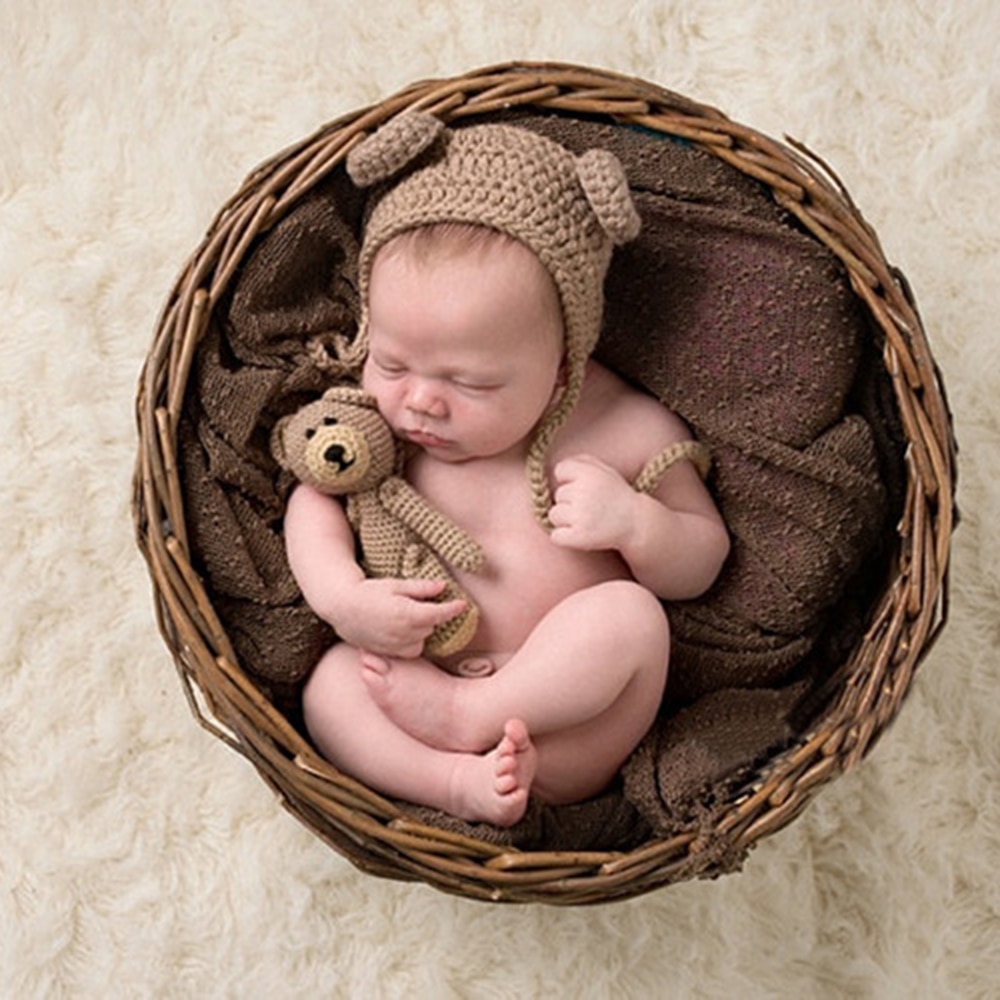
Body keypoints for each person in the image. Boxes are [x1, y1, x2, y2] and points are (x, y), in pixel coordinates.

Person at [282, 114, 730, 827]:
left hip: (564, 728)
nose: (420, 400)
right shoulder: (384, 421)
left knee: (632, 619)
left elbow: (702, 559)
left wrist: (637, 525)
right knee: (331, 687)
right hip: (408, 691)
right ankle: (451, 783)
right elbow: (314, 500)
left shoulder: (625, 428)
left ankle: (473, 714)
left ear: (562, 368)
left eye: (472, 382)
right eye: (392, 363)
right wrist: (343, 599)